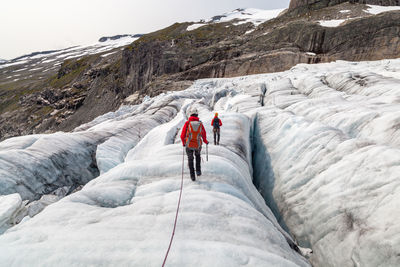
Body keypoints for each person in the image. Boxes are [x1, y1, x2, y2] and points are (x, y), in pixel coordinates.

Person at [180, 108, 209, 181]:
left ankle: (192, 176)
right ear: (197, 115)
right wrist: (205, 141)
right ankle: (198, 171)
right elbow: (203, 134)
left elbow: (182, 135)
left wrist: (184, 143)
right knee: (198, 156)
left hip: (188, 144)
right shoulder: (200, 123)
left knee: (190, 159)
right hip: (197, 144)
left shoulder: (187, 123)